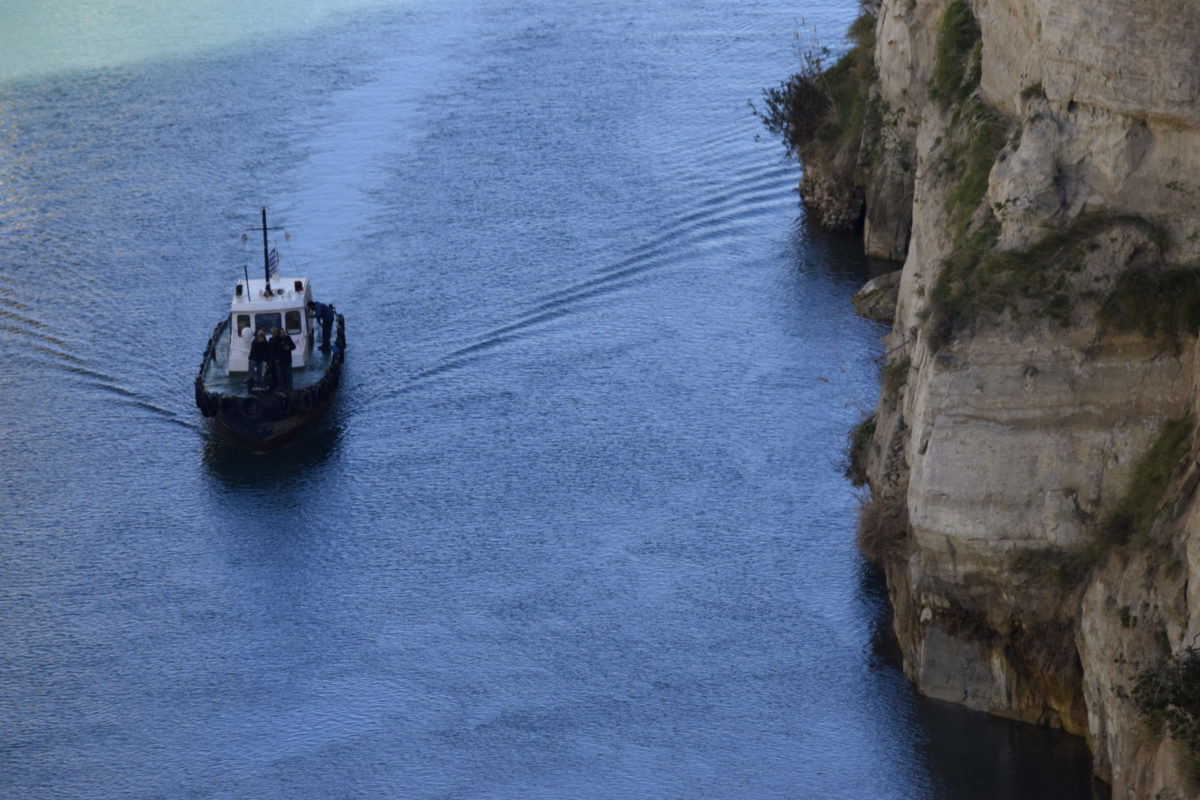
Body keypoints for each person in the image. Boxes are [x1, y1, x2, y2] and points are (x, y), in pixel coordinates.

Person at [270, 326, 296, 391]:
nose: (283, 334)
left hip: (287, 360)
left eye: (284, 332)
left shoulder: (288, 338)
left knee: (288, 374)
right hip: (279, 360)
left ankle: (289, 387)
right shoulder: (276, 340)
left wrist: (289, 347)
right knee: (280, 375)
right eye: (282, 333)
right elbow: (273, 350)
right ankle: (281, 387)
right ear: (279, 333)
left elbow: (293, 346)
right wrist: (275, 359)